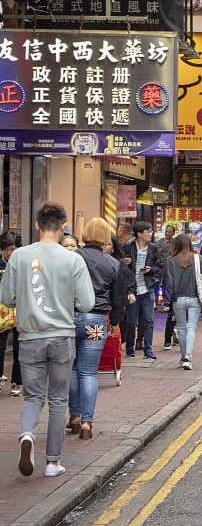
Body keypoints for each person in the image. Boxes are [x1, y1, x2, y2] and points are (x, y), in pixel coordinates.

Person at [4, 201, 94, 478]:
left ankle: (27, 436)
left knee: (32, 397)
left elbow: (6, 298)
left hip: (29, 337)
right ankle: (53, 462)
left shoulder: (19, 256)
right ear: (64, 226)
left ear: (36, 225)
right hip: (62, 337)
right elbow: (88, 303)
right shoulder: (73, 259)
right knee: (57, 400)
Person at [74, 218, 128, 440]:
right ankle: (87, 421)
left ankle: (74, 416)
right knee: (89, 372)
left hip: (69, 318)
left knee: (72, 369)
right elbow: (119, 298)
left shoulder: (73, 257)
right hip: (96, 321)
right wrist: (114, 322)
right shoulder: (113, 264)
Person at [162, 234, 202, 371]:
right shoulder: (198, 258)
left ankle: (184, 357)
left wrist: (167, 301)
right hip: (195, 298)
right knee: (191, 328)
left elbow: (169, 283)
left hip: (178, 299)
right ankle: (188, 355)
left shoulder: (171, 261)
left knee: (181, 328)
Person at [119, 222, 162, 360]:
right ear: (139, 234)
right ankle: (130, 347)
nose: (150, 234)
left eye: (151, 231)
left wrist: (151, 269)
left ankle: (147, 349)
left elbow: (159, 266)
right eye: (147, 231)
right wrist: (123, 262)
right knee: (131, 321)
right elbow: (120, 266)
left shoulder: (153, 248)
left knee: (149, 320)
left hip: (147, 288)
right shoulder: (127, 247)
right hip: (132, 289)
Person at [0, 233, 20, 396]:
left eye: (13, 249)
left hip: (20, 308)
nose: (10, 253)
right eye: (7, 249)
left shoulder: (23, 262)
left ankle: (16, 381)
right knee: (0, 346)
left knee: (19, 348)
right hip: (2, 311)